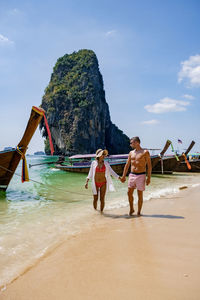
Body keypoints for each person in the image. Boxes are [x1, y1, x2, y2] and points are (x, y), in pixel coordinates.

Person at [121, 137, 152, 216]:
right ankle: (131, 209)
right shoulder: (131, 153)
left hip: (141, 175)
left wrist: (149, 178)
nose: (130, 144)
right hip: (132, 174)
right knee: (129, 193)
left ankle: (139, 212)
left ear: (137, 143)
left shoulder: (145, 152)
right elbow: (127, 165)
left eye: (132, 143)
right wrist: (123, 176)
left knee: (139, 194)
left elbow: (149, 165)